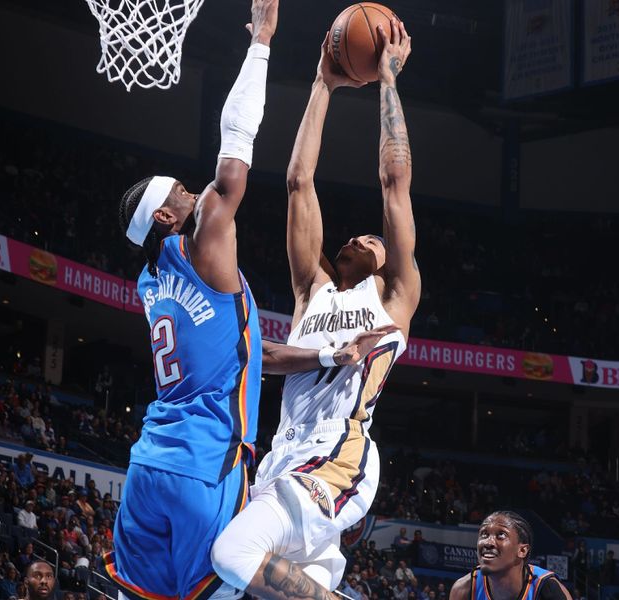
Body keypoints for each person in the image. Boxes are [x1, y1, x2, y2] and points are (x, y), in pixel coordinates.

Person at [107, 3, 391, 600]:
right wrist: (261, 41)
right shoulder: (201, 246)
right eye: (184, 193)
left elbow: (246, 354)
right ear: (166, 216)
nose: (196, 192)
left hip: (147, 461)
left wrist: (326, 357)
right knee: (228, 580)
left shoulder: (150, 283)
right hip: (204, 461)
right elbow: (235, 153)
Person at [211, 18, 419, 600]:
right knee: (225, 587)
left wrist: (387, 80)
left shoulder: (394, 296)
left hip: (338, 455)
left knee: (231, 555)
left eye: (376, 240)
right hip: (283, 455)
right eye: (359, 237)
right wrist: (322, 84)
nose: (365, 238)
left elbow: (394, 182)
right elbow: (299, 181)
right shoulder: (314, 289)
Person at [449, 512, 572, 600]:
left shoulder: (547, 589)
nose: (488, 542)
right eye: (484, 534)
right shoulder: (464, 589)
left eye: (501, 535)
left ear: (522, 550)